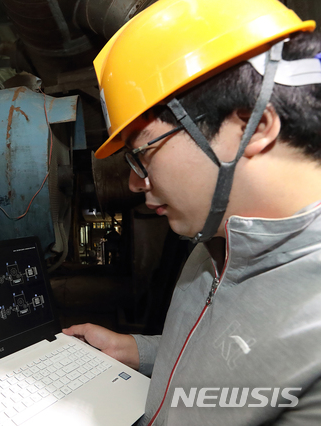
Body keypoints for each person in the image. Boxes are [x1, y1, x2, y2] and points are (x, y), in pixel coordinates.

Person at [63, 0, 321, 424]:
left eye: (141, 151)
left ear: (251, 126)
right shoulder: (215, 237)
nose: (134, 183)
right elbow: (225, 365)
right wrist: (139, 351)